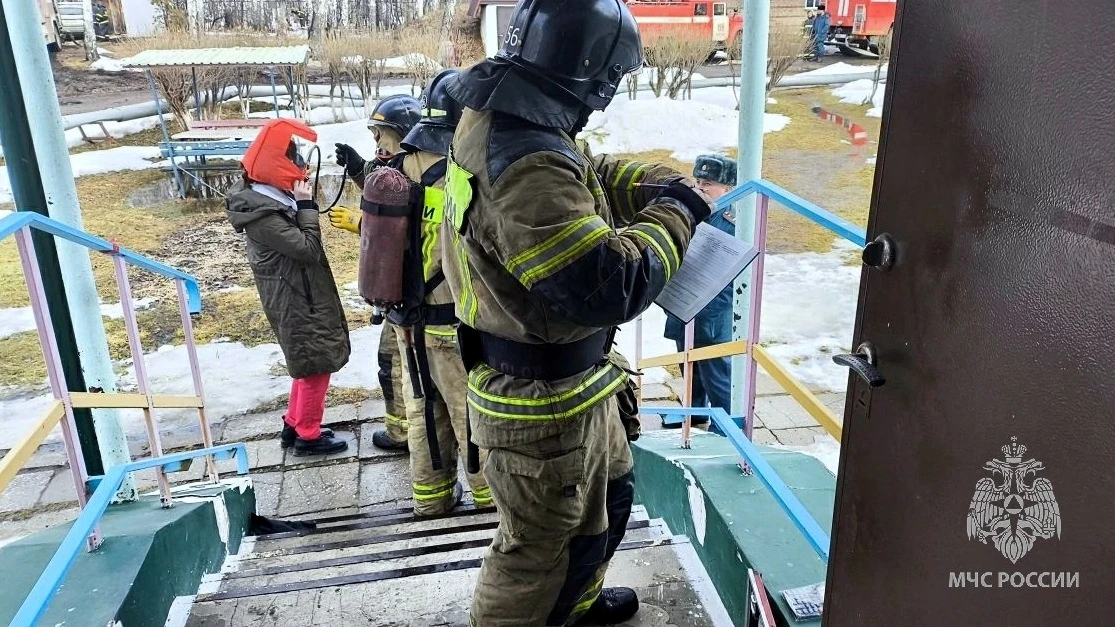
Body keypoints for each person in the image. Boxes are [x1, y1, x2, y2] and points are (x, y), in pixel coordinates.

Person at [440, 0, 713, 624]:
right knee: (537, 552)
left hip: (569, 385)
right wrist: (680, 213)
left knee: (602, 513)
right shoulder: (526, 160)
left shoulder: (507, 116)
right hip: (543, 407)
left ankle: (576, 607)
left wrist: (652, 185)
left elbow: (580, 173)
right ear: (595, 73)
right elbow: (611, 284)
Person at [379, 70, 493, 516]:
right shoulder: (459, 179)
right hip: (452, 321)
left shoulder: (398, 170)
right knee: (470, 413)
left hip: (407, 322)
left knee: (423, 413)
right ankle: (490, 501)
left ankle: (432, 500)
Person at [226, 119, 350, 456]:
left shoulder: (268, 199)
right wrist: (307, 206)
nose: (303, 168)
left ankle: (294, 424)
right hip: (297, 299)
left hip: (299, 293)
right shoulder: (263, 214)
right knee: (315, 364)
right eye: (296, 162)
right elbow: (306, 249)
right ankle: (308, 435)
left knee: (306, 361)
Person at [331, 95, 421, 451]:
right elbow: (380, 187)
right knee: (391, 364)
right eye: (374, 133)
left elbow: (410, 227)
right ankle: (402, 430)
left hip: (415, 293)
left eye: (383, 134)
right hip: (398, 290)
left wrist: (360, 223)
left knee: (402, 366)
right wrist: (356, 168)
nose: (377, 143)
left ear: (404, 134)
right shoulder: (397, 166)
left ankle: (408, 434)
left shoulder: (418, 172)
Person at [663, 155, 737, 431]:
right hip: (683, 303)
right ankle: (694, 412)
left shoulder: (734, 222)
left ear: (728, 188)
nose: (699, 188)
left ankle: (727, 426)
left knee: (716, 373)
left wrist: (703, 308)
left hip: (710, 310)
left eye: (707, 183)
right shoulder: (694, 209)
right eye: (697, 181)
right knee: (688, 365)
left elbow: (734, 278)